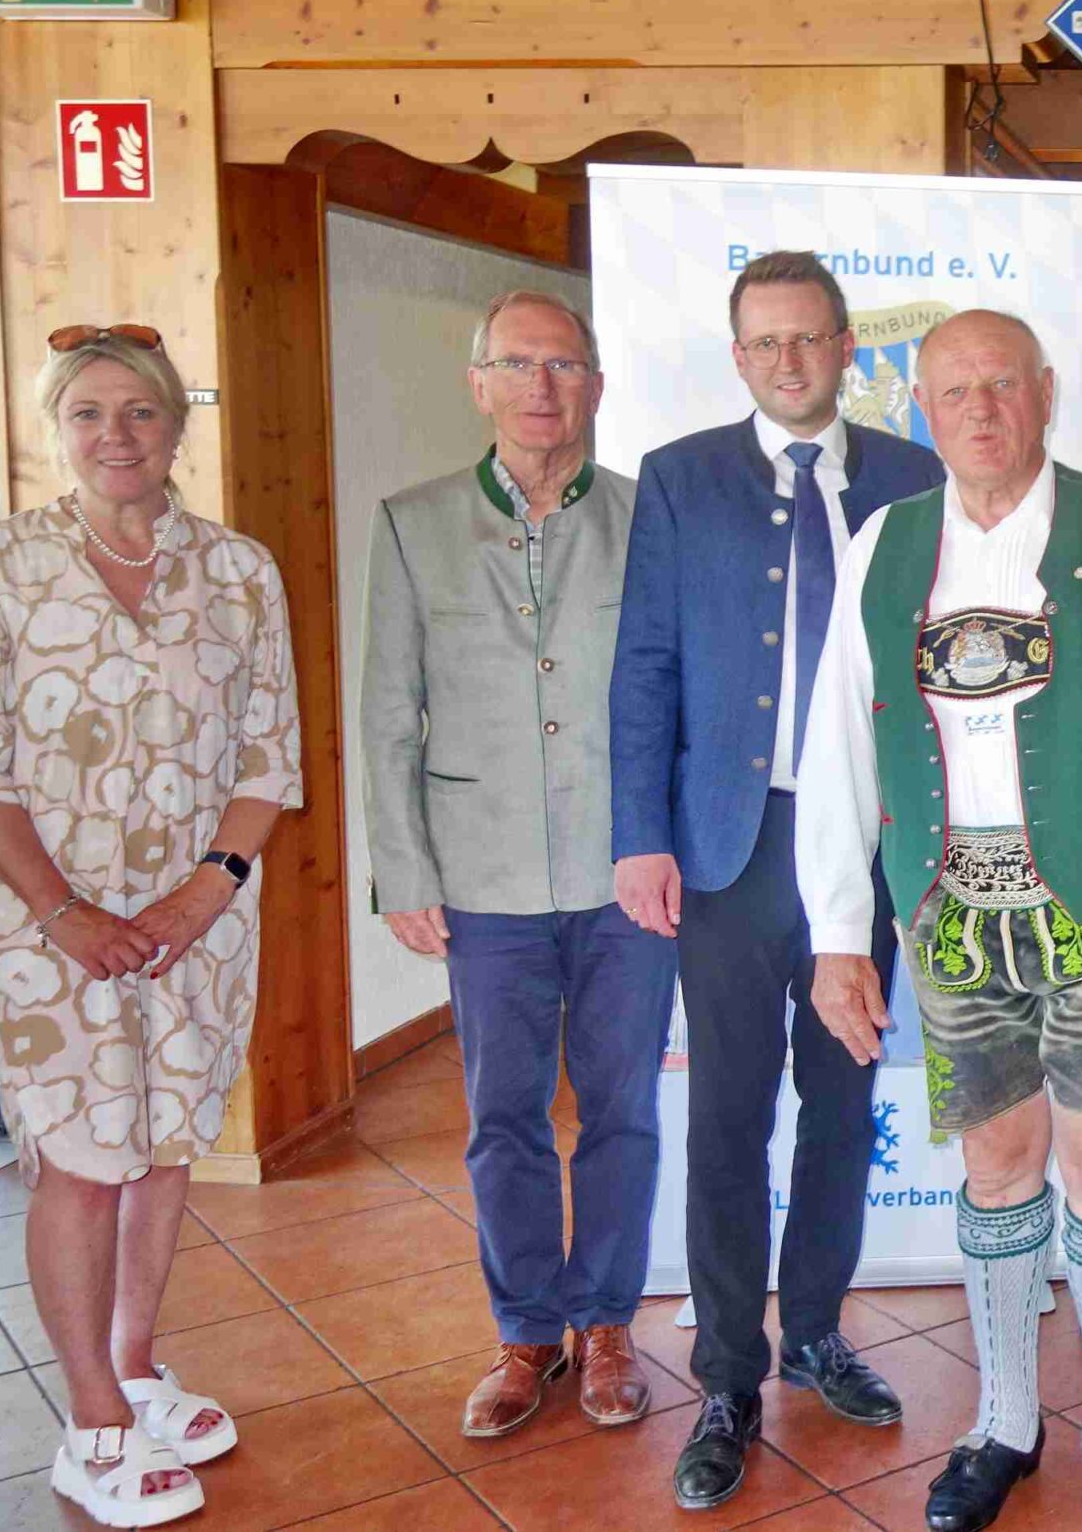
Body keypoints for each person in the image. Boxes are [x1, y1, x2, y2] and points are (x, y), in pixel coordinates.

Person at [797, 308, 1082, 1532]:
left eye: (1001, 384)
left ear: (1044, 392)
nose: (980, 410)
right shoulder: (886, 543)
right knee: (995, 1163)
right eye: (953, 391)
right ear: (921, 409)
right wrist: (836, 929)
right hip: (948, 905)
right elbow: (840, 743)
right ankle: (1003, 1419)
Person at [0, 325, 301, 1528]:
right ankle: (91, 1421)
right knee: (84, 1157)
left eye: (139, 410)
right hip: (47, 926)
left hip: (200, 918)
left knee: (167, 1136)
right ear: (54, 429)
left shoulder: (239, 570)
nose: (116, 434)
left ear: (177, 425)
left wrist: (205, 888)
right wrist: (66, 910)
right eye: (87, 412)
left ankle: (135, 1368)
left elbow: (269, 755)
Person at [609, 252, 944, 1508]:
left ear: (847, 346)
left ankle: (813, 1329)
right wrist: (640, 834)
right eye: (765, 342)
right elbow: (645, 663)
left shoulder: (912, 476)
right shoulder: (680, 476)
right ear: (738, 354)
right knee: (729, 1113)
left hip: (867, 843)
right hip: (731, 845)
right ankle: (726, 1375)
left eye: (808, 338)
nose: (788, 360)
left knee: (843, 1102)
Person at [361, 291, 676, 1441]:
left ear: (594, 383)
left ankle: (607, 1322)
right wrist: (403, 866)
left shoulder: (648, 519)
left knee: (623, 1107)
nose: (542, 387)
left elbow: (680, 698)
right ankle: (526, 1328)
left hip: (625, 874)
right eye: (517, 363)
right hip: (480, 874)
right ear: (479, 381)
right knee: (502, 1113)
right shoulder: (414, 522)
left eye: (564, 364)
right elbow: (387, 709)